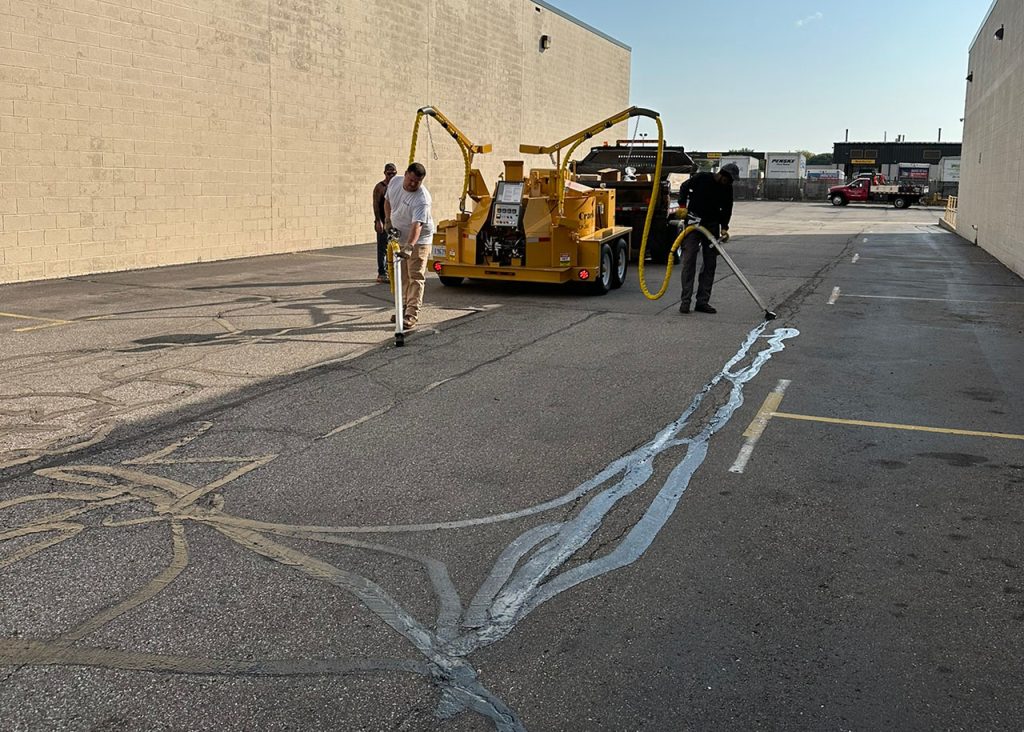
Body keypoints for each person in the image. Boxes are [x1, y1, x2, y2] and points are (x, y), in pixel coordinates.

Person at [675, 162, 738, 314]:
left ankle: (702, 302)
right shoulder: (702, 178)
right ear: (722, 174)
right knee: (689, 260)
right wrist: (682, 206)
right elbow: (684, 187)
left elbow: (728, 207)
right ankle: (685, 301)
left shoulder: (727, 188)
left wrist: (724, 227)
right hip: (693, 223)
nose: (729, 183)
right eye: (728, 179)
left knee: (710, 263)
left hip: (711, 226)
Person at [384, 162, 435, 329]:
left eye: (417, 182)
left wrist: (410, 246)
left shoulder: (422, 199)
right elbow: (387, 201)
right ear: (405, 174)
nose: (413, 184)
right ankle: (403, 308)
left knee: (415, 276)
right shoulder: (395, 182)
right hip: (400, 237)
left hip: (419, 241)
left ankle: (411, 314)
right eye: (411, 180)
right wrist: (388, 220)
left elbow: (417, 226)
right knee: (402, 276)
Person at [372, 162, 398, 283]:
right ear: (385, 173)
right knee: (382, 248)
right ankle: (382, 272)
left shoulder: (397, 185)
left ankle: (390, 270)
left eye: (394, 173)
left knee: (392, 247)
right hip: (383, 220)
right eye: (389, 173)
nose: (391, 175)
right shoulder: (380, 187)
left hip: (395, 222)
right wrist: (378, 221)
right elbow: (376, 205)